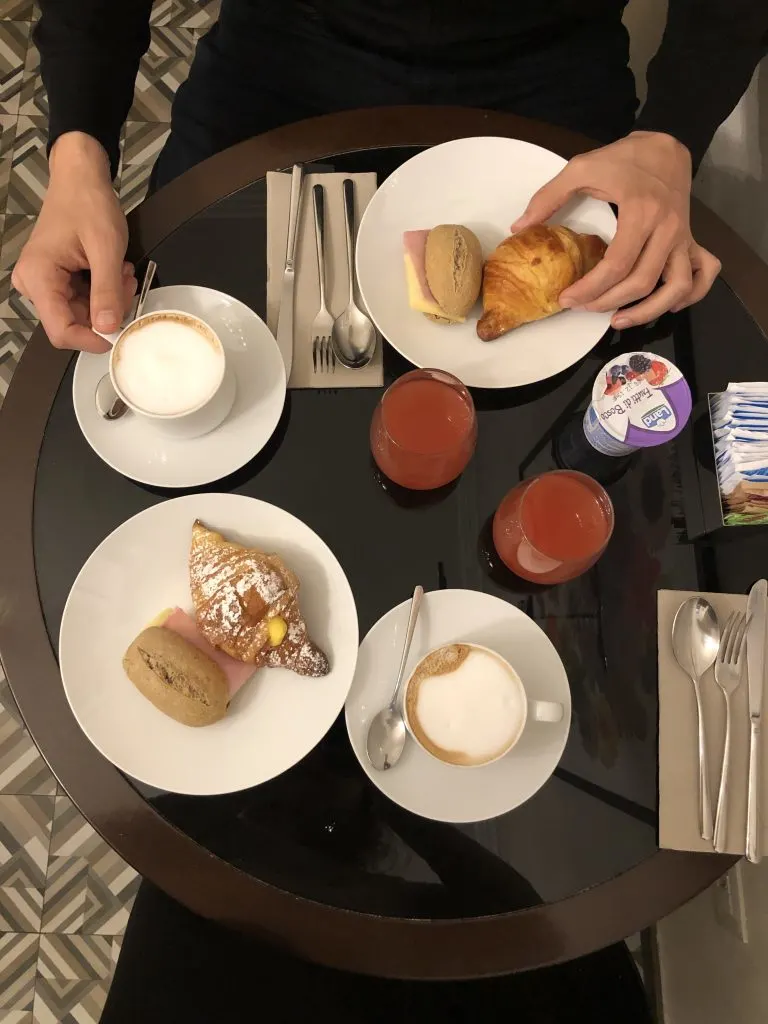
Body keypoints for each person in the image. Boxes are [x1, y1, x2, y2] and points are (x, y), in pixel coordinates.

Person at [12, 1, 767, 354]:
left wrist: (671, 137)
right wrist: (78, 156)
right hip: (283, 53)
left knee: (588, 371)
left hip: (548, 66)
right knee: (181, 343)